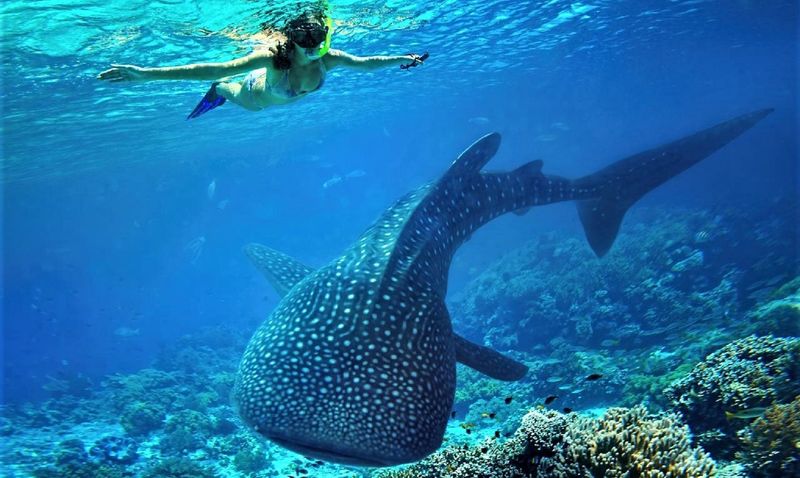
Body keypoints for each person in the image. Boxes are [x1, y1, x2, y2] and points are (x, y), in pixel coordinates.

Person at [97, 11, 428, 119]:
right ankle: (219, 94)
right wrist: (145, 75)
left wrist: (402, 58)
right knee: (224, 86)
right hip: (254, 95)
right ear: (291, 38)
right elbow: (213, 68)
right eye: (303, 37)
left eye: (317, 38)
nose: (311, 46)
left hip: (277, 94)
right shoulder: (272, 58)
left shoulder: (332, 57)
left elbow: (366, 63)